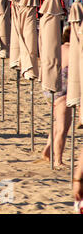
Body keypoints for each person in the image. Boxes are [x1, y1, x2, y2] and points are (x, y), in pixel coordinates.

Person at [41, 26, 71, 166]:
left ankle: (48, 149)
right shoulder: (73, 52)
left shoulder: (58, 48)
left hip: (50, 90)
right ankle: (58, 160)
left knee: (57, 123)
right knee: (63, 128)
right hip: (63, 93)